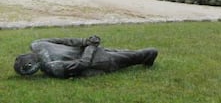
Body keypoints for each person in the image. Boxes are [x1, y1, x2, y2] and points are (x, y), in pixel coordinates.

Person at [14, 35, 158, 78]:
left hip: (95, 52)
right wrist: (90, 46)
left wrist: (85, 42)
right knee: (137, 56)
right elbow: (83, 64)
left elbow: (64, 41)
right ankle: (149, 55)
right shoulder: (52, 67)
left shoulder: (37, 44)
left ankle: (146, 56)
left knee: (127, 53)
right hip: (98, 60)